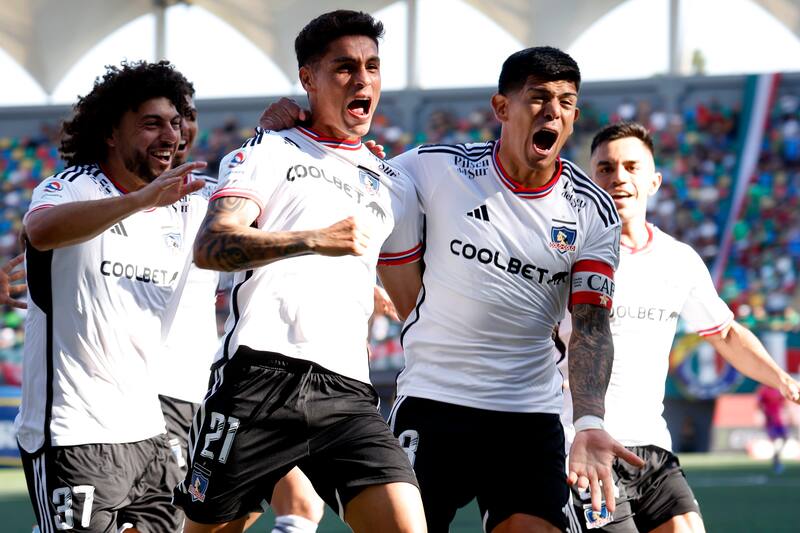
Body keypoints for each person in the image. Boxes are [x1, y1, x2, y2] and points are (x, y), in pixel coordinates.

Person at [261, 46, 644, 533]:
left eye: (566, 102)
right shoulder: (433, 167)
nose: (553, 112)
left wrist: (589, 420)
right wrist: (281, 134)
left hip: (528, 414)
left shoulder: (591, 211)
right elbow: (343, 175)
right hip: (435, 402)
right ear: (502, 108)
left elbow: (591, 325)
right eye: (539, 98)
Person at [173, 10, 426, 533]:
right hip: (259, 379)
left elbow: (409, 291)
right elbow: (212, 244)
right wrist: (313, 241)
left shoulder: (390, 181)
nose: (362, 80)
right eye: (344, 67)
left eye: (373, 66)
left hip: (348, 393)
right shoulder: (267, 150)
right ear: (308, 79)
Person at [563, 121, 800, 532]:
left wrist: (782, 380)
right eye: (605, 168)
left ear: (654, 181)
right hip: (584, 445)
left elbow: (724, 332)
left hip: (653, 447)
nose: (619, 176)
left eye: (631, 167)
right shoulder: (567, 255)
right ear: (590, 181)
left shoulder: (679, 259)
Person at [15, 60, 206, 533]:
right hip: (72, 433)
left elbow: (258, 209)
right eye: (151, 124)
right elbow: (38, 230)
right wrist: (141, 200)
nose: (170, 136)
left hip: (150, 436)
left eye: (175, 123)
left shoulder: (186, 203)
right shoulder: (69, 188)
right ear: (110, 135)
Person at [757, 384, 789, 474]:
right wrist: (764, 414)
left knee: (785, 438)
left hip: (779, 420)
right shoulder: (763, 390)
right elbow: (759, 404)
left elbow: (783, 404)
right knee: (775, 440)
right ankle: (777, 462)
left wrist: (786, 414)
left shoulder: (779, 390)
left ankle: (776, 457)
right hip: (770, 420)